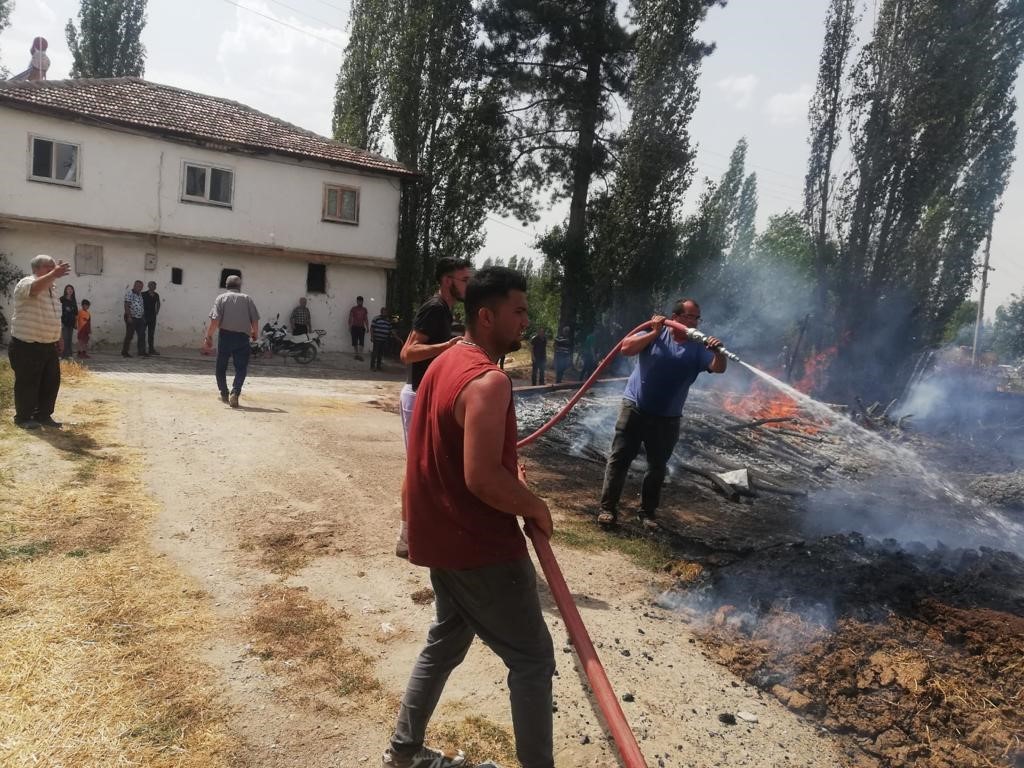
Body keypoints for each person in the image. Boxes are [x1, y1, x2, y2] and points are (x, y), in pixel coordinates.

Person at [384, 266, 555, 768]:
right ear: (487, 315)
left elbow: (441, 448)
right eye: (518, 311)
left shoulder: (444, 362)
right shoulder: (489, 380)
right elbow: (481, 478)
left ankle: (404, 752)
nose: (526, 320)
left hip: (441, 538)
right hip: (481, 548)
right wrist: (536, 506)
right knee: (532, 660)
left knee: (445, 642)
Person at [597, 299, 727, 530]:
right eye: (689, 317)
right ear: (675, 317)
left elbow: (718, 368)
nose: (694, 322)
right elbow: (626, 348)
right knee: (620, 459)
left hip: (668, 417)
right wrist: (655, 332)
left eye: (697, 318)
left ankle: (647, 513)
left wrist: (718, 352)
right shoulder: (655, 331)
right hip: (635, 406)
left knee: (657, 467)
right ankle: (607, 509)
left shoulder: (698, 347)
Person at [396, 257, 472, 557]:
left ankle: (425, 530)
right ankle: (406, 537)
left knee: (431, 467)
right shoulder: (434, 308)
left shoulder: (446, 312)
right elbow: (407, 353)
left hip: (430, 397)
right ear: (447, 281)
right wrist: (447, 347)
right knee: (417, 468)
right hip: (417, 397)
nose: (468, 284)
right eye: (464, 279)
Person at [7, 255, 70, 429]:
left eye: (53, 267)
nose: (52, 270)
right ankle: (23, 417)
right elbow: (33, 290)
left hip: (48, 345)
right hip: (26, 344)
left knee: (50, 382)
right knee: (28, 382)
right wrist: (54, 274)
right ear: (36, 269)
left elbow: (55, 316)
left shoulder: (52, 288)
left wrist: (59, 337)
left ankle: (43, 415)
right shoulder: (26, 282)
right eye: (47, 267)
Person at [203, 275, 260, 408]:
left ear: (226, 285)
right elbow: (255, 320)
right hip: (242, 338)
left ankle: (224, 393)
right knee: (241, 368)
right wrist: (255, 333)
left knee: (221, 367)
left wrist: (209, 336)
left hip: (225, 337)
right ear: (239, 286)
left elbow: (215, 320)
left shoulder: (221, 298)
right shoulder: (247, 299)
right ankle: (235, 392)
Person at [121, 280, 147, 358]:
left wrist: (142, 316)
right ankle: (125, 352)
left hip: (139, 318)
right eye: (138, 286)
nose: (140, 288)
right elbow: (126, 305)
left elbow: (140, 306)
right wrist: (129, 316)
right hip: (131, 317)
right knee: (129, 335)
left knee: (142, 334)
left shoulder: (140, 294)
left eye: (141, 287)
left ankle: (141, 352)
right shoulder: (130, 293)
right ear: (134, 286)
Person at [370, 306, 397, 372]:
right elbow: (372, 328)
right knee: (375, 353)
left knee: (380, 353)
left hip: (384, 340)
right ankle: (372, 366)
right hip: (377, 338)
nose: (385, 312)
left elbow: (390, 330)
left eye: (386, 311)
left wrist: (395, 335)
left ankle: (378, 366)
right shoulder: (376, 318)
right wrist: (372, 337)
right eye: (384, 311)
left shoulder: (388, 321)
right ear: (381, 312)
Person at [59, 284, 78, 360]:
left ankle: (69, 354)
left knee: (70, 339)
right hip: (64, 322)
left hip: (71, 322)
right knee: (64, 338)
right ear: (65, 290)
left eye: (71, 289)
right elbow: (58, 310)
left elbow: (76, 313)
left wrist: (76, 323)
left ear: (73, 291)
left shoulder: (73, 300)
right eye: (68, 289)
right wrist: (60, 322)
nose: (70, 290)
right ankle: (62, 355)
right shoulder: (62, 299)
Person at [143, 281, 161, 355]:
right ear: (148, 286)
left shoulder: (156, 295)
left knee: (151, 334)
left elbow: (158, 303)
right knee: (142, 333)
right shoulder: (143, 294)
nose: (153, 287)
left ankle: (151, 350)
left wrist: (157, 312)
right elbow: (140, 303)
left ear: (155, 287)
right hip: (144, 316)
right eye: (151, 285)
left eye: (154, 286)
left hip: (152, 317)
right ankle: (142, 349)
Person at [349, 296, 370, 361]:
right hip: (354, 327)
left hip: (361, 327)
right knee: (354, 341)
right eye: (358, 301)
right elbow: (351, 318)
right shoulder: (353, 309)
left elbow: (366, 319)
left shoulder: (364, 309)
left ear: (362, 301)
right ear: (357, 301)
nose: (359, 302)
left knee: (361, 341)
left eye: (360, 301)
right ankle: (356, 354)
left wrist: (367, 327)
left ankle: (360, 355)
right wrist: (350, 326)